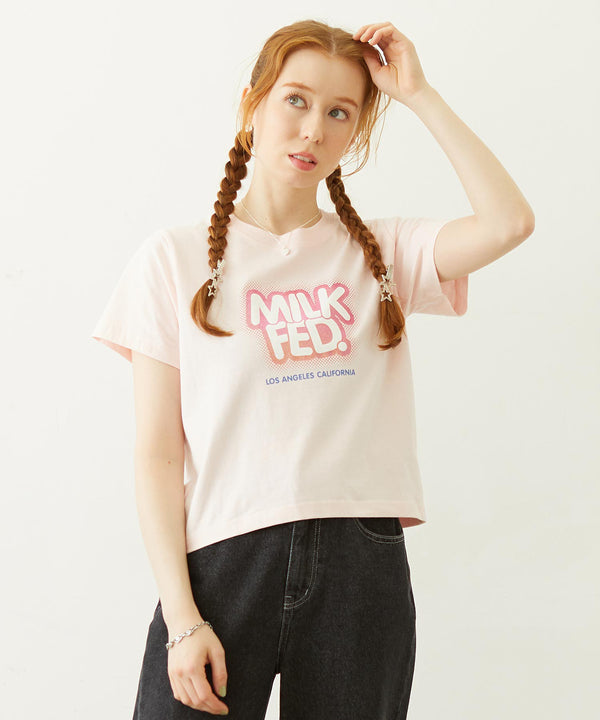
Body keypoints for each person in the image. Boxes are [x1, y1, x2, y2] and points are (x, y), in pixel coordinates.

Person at [91, 18, 534, 720]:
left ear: (356, 132)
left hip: (361, 559)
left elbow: (509, 222)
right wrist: (181, 616)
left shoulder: (382, 252)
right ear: (253, 103)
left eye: (340, 113)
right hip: (225, 558)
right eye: (295, 100)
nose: (312, 130)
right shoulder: (173, 260)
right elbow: (157, 455)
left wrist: (418, 94)